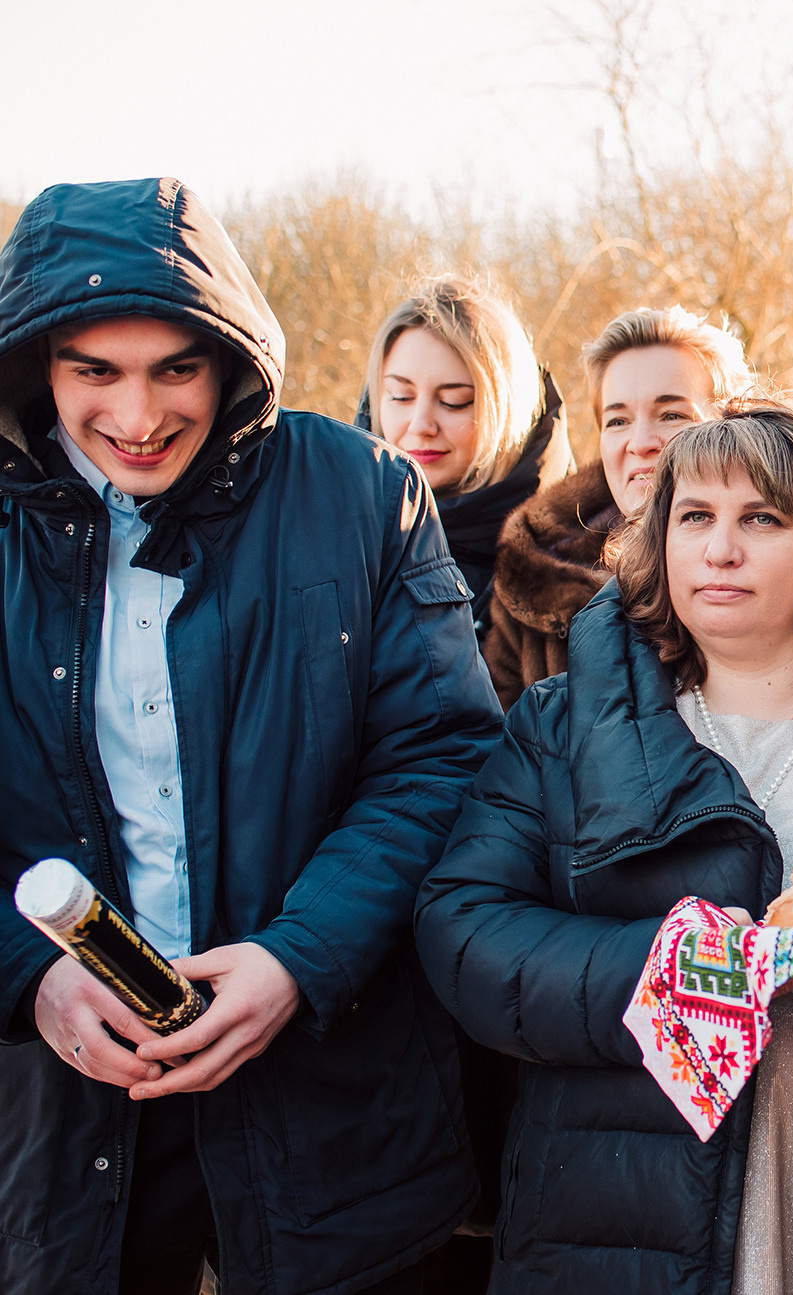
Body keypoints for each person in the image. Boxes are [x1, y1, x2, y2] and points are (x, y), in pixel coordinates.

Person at [415, 392, 793, 1293]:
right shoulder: (562, 723)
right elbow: (463, 929)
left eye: (761, 518)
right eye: (695, 517)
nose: (720, 548)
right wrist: (666, 969)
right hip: (617, 1217)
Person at [0, 179, 503, 1294]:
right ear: (36, 365)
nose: (139, 416)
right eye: (96, 372)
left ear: (230, 359)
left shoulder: (365, 494)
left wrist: (298, 957)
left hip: (336, 1097)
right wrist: (28, 974)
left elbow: (442, 758)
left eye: (174, 369)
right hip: (60, 1114)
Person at [481, 305, 750, 708]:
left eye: (671, 415)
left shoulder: (786, 564)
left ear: (735, 426)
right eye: (618, 421)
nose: (640, 443)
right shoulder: (534, 575)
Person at [359, 273, 573, 638]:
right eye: (400, 396)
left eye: (454, 401)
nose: (420, 425)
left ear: (506, 413)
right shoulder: (333, 536)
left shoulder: (573, 567)